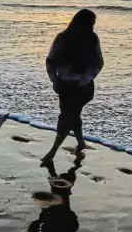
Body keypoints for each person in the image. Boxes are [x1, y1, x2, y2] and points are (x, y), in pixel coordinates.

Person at [42, 9, 104, 163]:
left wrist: (82, 80)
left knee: (66, 117)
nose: (93, 26)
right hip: (68, 86)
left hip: (78, 87)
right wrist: (55, 80)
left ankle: (52, 152)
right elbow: (50, 61)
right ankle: (81, 143)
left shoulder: (86, 38)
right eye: (91, 23)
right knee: (72, 116)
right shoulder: (67, 38)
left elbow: (98, 63)